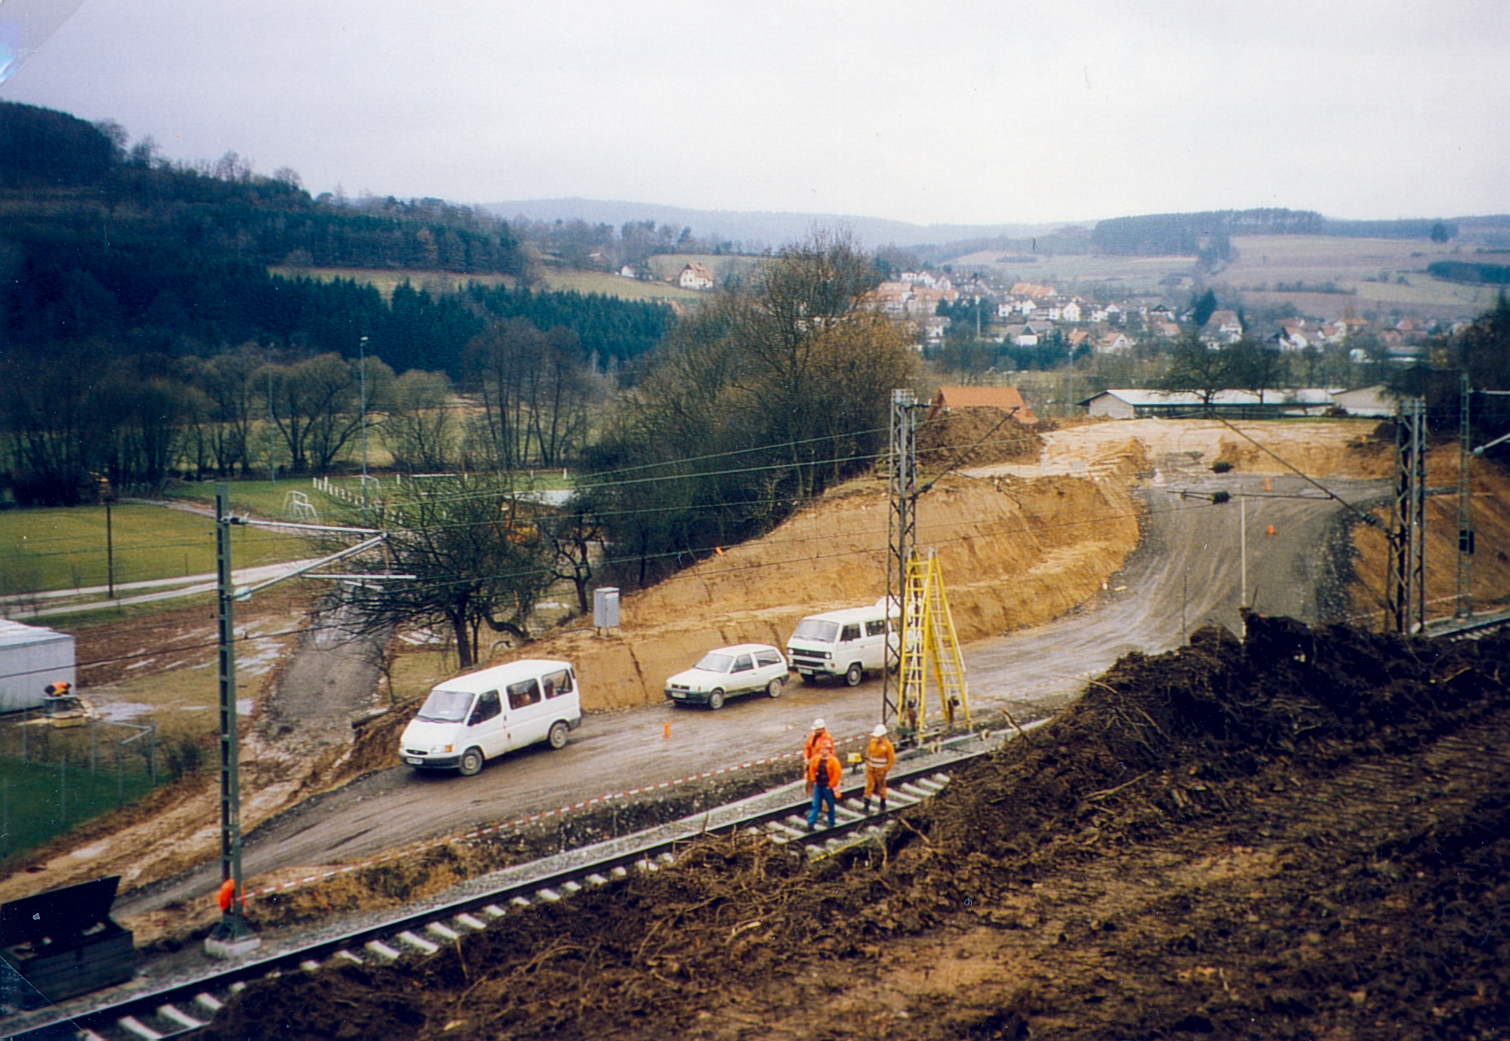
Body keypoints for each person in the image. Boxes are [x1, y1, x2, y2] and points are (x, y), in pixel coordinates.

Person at [863, 723, 897, 813]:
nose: (877, 738)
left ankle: (883, 804)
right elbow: (868, 753)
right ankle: (866, 806)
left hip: (880, 771)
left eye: (879, 737)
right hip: (871, 769)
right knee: (869, 786)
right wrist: (867, 763)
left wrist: (885, 770)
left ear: (883, 736)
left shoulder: (888, 745)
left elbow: (891, 759)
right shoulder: (872, 742)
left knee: (881, 787)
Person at [806, 747, 842, 830]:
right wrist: (813, 780)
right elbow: (811, 769)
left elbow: (837, 774)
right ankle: (810, 824)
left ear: (829, 751)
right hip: (818, 786)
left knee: (830, 805)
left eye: (825, 749)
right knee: (815, 805)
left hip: (827, 788)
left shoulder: (833, 761)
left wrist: (830, 785)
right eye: (822, 749)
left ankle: (831, 823)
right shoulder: (816, 759)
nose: (822, 751)